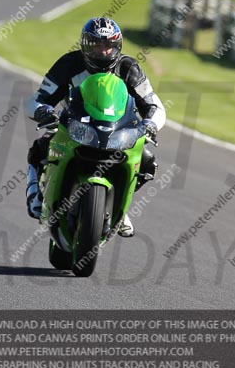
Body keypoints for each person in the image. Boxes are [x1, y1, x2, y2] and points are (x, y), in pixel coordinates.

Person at [25, 17, 166, 237]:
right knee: (40, 148)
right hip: (74, 127)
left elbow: (154, 105)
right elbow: (38, 98)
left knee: (147, 161)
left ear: (117, 46)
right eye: (96, 45)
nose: (103, 52)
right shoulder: (69, 64)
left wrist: (150, 124)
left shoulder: (129, 68)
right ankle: (35, 192)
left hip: (117, 130)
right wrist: (44, 111)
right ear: (84, 45)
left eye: (109, 45)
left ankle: (119, 206)